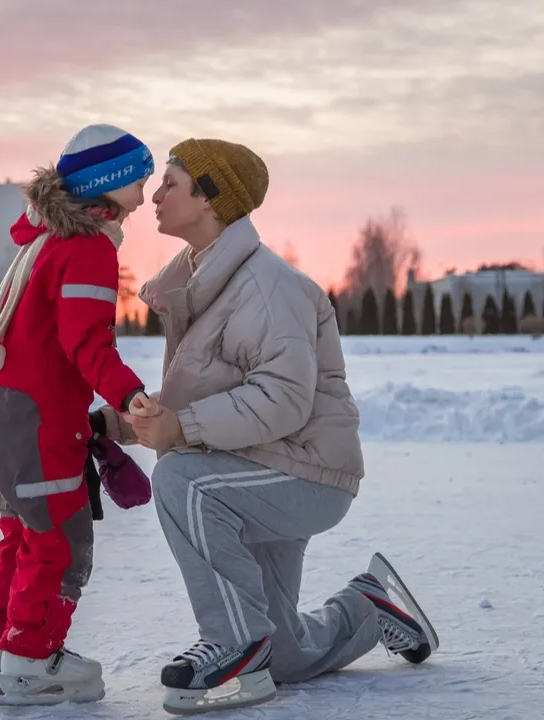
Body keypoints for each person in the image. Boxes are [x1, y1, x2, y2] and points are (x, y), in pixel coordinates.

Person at [97, 138, 438, 714]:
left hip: (301, 472)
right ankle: (371, 606)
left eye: (172, 183)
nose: (155, 195)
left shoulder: (265, 286)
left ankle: (234, 645)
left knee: (182, 480)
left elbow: (282, 399)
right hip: (255, 465)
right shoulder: (205, 285)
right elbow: (208, 398)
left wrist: (181, 429)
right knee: (288, 657)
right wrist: (119, 423)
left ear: (210, 198)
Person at [0, 124, 158, 705]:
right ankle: (33, 660)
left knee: (21, 534)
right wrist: (128, 395)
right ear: (108, 184)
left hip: (1, 413)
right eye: (138, 181)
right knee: (59, 542)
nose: (143, 196)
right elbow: (86, 339)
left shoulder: (41, 241)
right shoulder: (88, 248)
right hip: (38, 418)